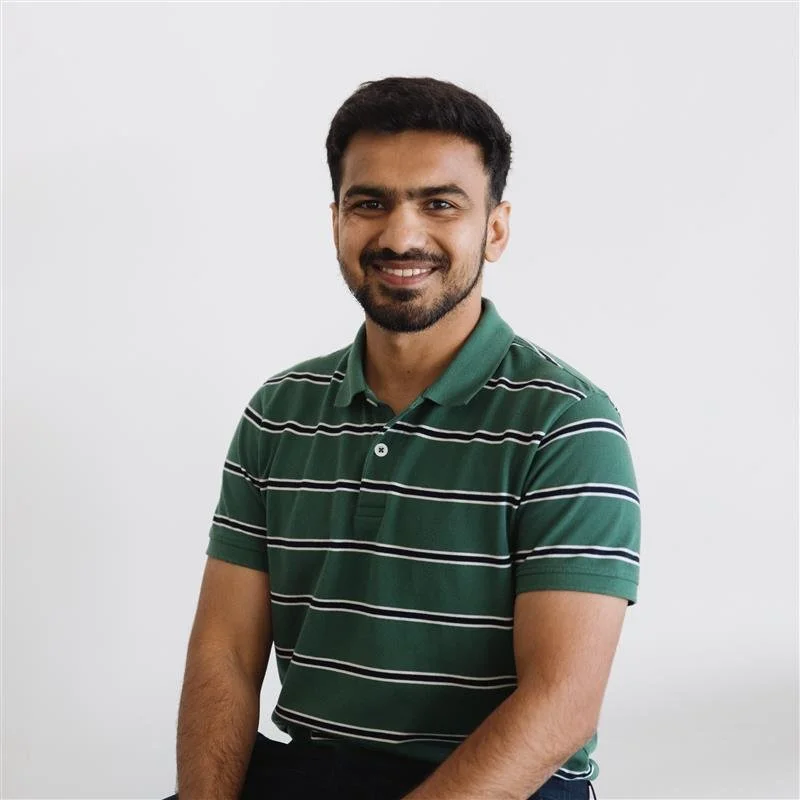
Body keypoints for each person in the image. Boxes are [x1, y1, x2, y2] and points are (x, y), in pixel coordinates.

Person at [166, 76, 639, 800]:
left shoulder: (566, 425)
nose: (400, 236)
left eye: (440, 204)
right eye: (370, 203)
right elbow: (223, 654)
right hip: (313, 772)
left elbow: (562, 706)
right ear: (336, 222)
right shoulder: (279, 412)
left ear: (495, 229)